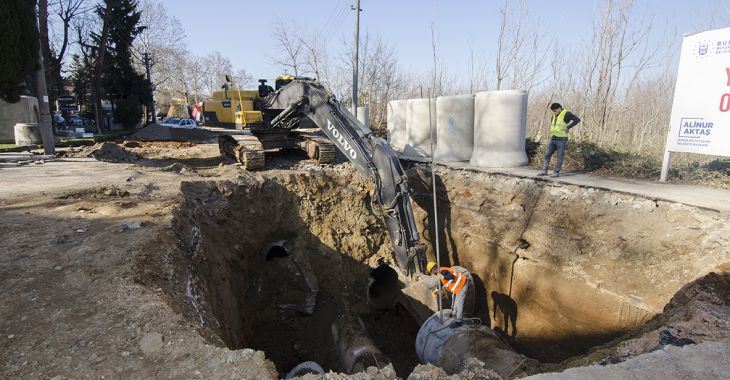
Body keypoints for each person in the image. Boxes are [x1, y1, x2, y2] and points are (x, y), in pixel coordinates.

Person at [539, 103, 581, 177]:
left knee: (560, 156)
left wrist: (568, 127)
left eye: (555, 111)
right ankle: (544, 171)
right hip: (553, 138)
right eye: (553, 111)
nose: (554, 112)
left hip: (561, 139)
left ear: (559, 108)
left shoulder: (566, 113)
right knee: (547, 155)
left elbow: (577, 120)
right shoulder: (554, 116)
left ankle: (556, 172)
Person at [427, 261, 469, 326]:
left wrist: (443, 277)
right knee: (454, 302)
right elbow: (441, 282)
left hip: (462, 284)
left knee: (459, 303)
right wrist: (437, 289)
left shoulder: (442, 271)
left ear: (432, 271)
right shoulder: (439, 272)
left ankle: (459, 321)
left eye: (431, 272)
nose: (432, 274)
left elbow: (451, 276)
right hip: (457, 287)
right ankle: (453, 314)